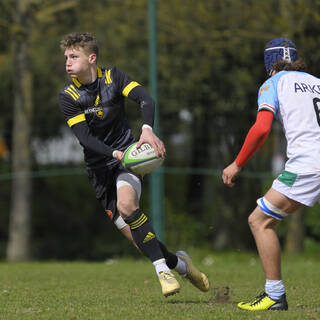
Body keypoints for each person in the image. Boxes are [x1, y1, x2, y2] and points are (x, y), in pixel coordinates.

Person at [58, 32, 209, 297]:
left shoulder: (113, 77)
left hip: (128, 158)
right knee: (141, 240)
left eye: (74, 56)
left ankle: (164, 273)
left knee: (127, 205)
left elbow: (145, 100)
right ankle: (184, 266)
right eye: (66, 57)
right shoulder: (68, 96)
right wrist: (113, 153)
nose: (67, 62)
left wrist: (147, 130)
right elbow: (85, 138)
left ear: (92, 58)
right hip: (100, 170)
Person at [222, 37, 320, 311]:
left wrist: (237, 163)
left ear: (269, 65)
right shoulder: (316, 82)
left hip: (309, 165)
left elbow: (262, 128)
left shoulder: (273, 83)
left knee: (260, 221)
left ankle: (275, 294)